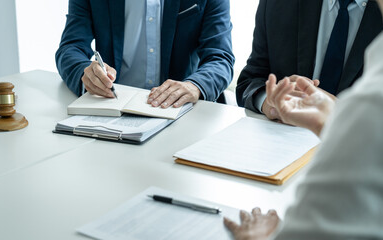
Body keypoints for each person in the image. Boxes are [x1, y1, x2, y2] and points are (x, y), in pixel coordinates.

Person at [224, 0, 383, 238]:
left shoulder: (371, 105)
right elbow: (251, 79)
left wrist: (261, 237)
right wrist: (267, 103)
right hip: (273, 170)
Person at [55, 0, 234, 109]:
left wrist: (195, 85)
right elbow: (70, 47)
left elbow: (220, 57)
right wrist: (86, 73)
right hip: (111, 107)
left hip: (179, 111)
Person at [236, 0, 382, 120]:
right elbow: (250, 80)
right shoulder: (278, 4)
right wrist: (268, 101)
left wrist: (341, 111)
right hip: (284, 143)